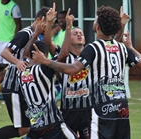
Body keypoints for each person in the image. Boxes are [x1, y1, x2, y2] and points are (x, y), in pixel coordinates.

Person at [32, 5, 141, 139]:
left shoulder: (93, 48)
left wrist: (45, 61)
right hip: (121, 107)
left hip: (101, 107)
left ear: (97, 27)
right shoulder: (121, 47)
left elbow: (73, 69)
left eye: (95, 20)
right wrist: (130, 47)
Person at [0, 5, 49, 139]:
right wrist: (18, 62)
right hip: (15, 85)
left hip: (25, 85)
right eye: (47, 23)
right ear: (38, 20)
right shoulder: (26, 34)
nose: (48, 27)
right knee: (23, 128)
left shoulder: (37, 36)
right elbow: (5, 52)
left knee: (37, 120)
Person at [43, 6, 91, 139]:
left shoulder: (91, 54)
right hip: (68, 109)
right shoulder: (63, 56)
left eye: (81, 33)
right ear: (68, 39)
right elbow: (47, 42)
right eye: (75, 34)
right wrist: (50, 23)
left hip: (87, 109)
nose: (79, 35)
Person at [17, 40, 77, 139]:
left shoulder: (20, 72)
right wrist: (68, 27)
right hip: (52, 126)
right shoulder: (43, 69)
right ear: (44, 54)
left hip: (35, 126)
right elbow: (64, 54)